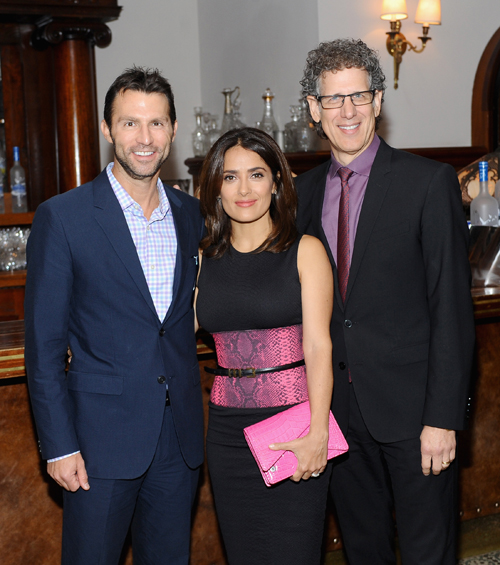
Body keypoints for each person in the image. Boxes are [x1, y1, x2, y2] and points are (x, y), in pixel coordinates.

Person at [296, 38, 475, 564]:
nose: (347, 111)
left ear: (378, 102)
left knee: (427, 553)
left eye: (359, 96)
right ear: (314, 109)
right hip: (338, 417)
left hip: (416, 417)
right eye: (333, 99)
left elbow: (451, 312)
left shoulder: (428, 182)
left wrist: (442, 419)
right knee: (363, 551)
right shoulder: (301, 194)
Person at [24, 67, 205, 564]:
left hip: (179, 441)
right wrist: (58, 446)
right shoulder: (64, 217)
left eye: (156, 124)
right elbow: (42, 349)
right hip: (97, 445)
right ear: (107, 130)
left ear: (172, 130)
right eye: (129, 124)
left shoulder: (191, 215)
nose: (143, 139)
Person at [195, 127, 334, 564]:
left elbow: (318, 348)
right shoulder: (203, 258)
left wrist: (318, 431)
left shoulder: (305, 250)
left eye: (256, 174)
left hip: (292, 425)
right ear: (216, 187)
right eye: (230, 177)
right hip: (226, 434)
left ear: (277, 182)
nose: (244, 189)